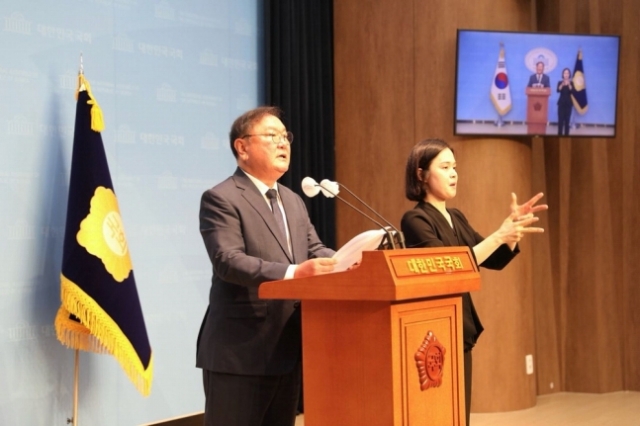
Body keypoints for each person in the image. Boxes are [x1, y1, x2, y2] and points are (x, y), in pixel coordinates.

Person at [196, 106, 337, 426]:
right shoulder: (221, 198)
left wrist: (350, 260)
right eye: (272, 136)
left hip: (286, 349)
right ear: (242, 147)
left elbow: (313, 249)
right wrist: (294, 273)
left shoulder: (292, 200)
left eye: (285, 136)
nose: (283, 143)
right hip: (240, 352)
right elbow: (228, 261)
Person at [400, 138, 547, 426]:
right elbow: (447, 267)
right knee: (440, 415)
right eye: (445, 167)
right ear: (421, 175)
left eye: (455, 167)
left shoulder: (456, 216)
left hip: (460, 327)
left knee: (460, 415)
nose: (454, 173)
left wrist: (511, 234)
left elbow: (492, 259)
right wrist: (499, 235)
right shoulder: (415, 219)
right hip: (434, 335)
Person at [557, 68, 573, 136]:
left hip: (568, 104)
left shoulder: (572, 83)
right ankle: (559, 135)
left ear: (569, 75)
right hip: (561, 104)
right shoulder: (560, 82)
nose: (566, 75)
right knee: (560, 121)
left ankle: (567, 135)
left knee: (567, 121)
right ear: (563, 74)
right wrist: (562, 84)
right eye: (565, 73)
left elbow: (572, 91)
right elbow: (558, 90)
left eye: (567, 73)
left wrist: (569, 84)